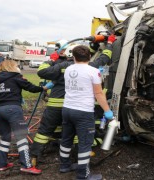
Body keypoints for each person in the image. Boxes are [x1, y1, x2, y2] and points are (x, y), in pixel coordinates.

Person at [60, 45, 114, 180]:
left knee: (66, 138)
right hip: (83, 112)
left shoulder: (68, 69)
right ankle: (82, 175)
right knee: (85, 143)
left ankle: (64, 165)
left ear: (74, 57)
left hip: (67, 109)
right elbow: (98, 93)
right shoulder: (93, 71)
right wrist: (108, 112)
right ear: (89, 57)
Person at [0, 60, 45, 174]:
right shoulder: (15, 76)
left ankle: (2, 164)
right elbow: (30, 87)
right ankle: (27, 165)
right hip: (13, 109)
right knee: (21, 137)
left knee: (5, 137)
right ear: (12, 67)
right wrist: (43, 88)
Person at [30, 43, 74, 164]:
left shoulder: (60, 65)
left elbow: (42, 72)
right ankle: (73, 155)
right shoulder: (83, 67)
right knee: (72, 129)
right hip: (72, 106)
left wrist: (50, 60)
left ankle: (34, 155)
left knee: (45, 130)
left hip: (55, 105)